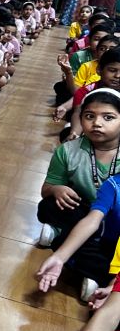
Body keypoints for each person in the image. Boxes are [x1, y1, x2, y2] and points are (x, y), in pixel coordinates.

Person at [36, 90, 120, 300]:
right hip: (82, 212)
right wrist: (56, 189)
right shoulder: (68, 151)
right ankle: (96, 272)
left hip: (115, 222)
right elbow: (46, 189)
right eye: (89, 116)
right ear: (80, 119)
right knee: (49, 206)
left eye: (108, 117)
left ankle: (69, 246)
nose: (97, 123)